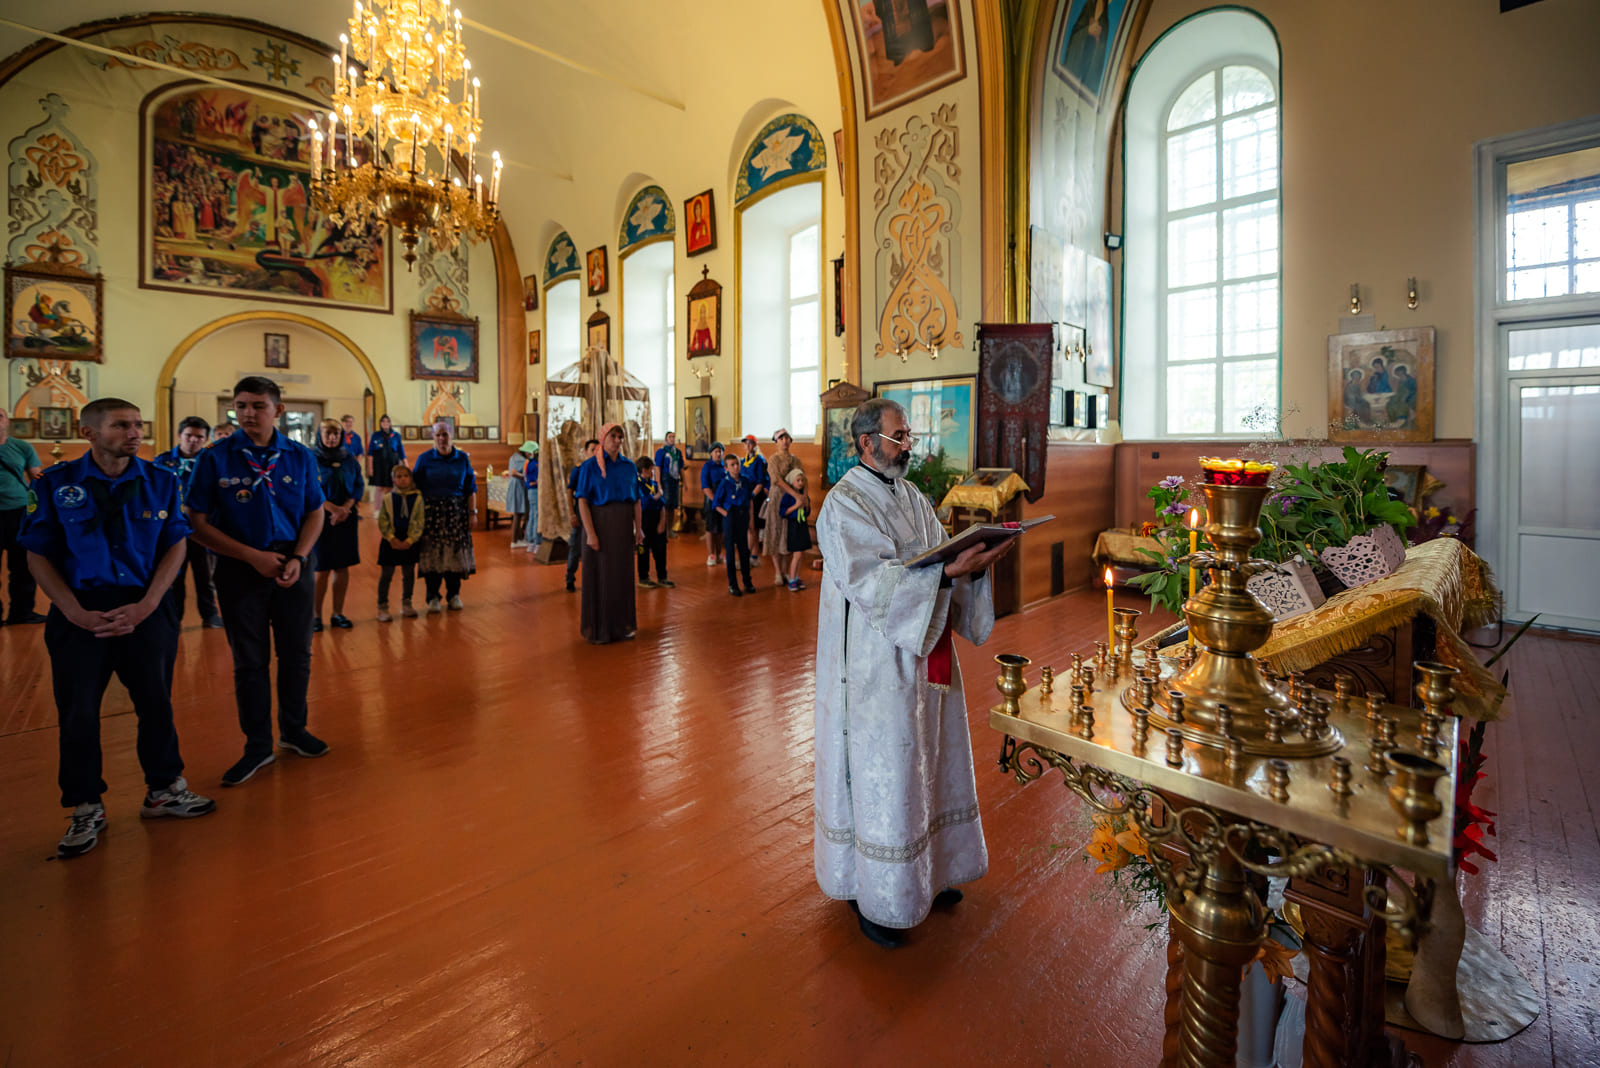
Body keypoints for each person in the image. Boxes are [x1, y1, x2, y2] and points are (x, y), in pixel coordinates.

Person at [812, 398, 1016, 948]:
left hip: (925, 651)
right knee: (891, 767)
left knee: (931, 756)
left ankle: (937, 868)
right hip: (875, 668)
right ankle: (879, 893)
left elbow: (935, 555)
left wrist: (968, 567)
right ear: (866, 443)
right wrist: (949, 571)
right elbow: (868, 581)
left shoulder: (912, 495)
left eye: (909, 434)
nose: (909, 443)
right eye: (899, 435)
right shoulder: (843, 504)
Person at [20, 398, 216, 858]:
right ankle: (86, 804)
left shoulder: (161, 482)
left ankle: (164, 789)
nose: (134, 432)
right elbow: (38, 553)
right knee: (79, 712)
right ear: (88, 433)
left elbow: (175, 548)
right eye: (121, 425)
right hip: (79, 611)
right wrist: (71, 612)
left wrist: (149, 604)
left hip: (145, 608)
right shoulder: (56, 483)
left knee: (156, 703)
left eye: (137, 425)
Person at [187, 376, 328, 787]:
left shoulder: (300, 456)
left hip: (294, 562)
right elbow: (195, 522)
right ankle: (257, 745)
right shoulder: (214, 459)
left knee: (296, 654)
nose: (248, 413)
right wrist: (252, 557)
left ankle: (295, 730)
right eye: (241, 406)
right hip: (239, 565)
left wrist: (299, 557)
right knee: (250, 661)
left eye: (258, 406)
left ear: (278, 411)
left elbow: (315, 512)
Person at [574, 422, 641, 643]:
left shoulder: (629, 466)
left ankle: (622, 626)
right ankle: (600, 629)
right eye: (613, 436)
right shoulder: (589, 467)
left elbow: (636, 501)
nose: (617, 440)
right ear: (603, 438)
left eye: (620, 437)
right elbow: (583, 501)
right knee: (601, 575)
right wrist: (590, 533)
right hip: (599, 524)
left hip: (622, 527)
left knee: (621, 576)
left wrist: (638, 529)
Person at [155, 415, 223, 629]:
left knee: (205, 577)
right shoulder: (162, 462)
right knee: (174, 576)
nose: (193, 440)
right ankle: (174, 617)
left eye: (199, 437)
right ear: (179, 435)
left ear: (205, 439)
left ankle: (209, 615)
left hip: (203, 529)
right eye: (189, 435)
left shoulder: (213, 462)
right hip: (173, 530)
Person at [411, 421, 477, 612]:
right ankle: (433, 597)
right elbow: (415, 487)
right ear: (433, 437)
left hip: (456, 512)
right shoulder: (424, 459)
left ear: (451, 436)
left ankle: (453, 594)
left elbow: (470, 488)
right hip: (431, 513)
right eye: (437, 435)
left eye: (445, 435)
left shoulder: (463, 458)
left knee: (454, 555)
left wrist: (472, 513)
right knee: (432, 554)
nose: (441, 439)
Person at [311, 419, 364, 631]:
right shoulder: (311, 458)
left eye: (336, 434)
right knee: (321, 569)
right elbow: (310, 488)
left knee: (342, 567)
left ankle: (338, 613)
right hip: (320, 518)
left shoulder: (349, 458)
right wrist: (333, 509)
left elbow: (358, 485)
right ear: (320, 435)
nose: (332, 438)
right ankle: (315, 617)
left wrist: (345, 509)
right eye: (328, 433)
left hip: (346, 518)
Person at [0, 405, 46, 625]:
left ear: (7, 421)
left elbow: (37, 477)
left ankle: (22, 613)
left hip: (18, 512)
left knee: (22, 567)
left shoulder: (21, 447)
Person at [375, 462, 424, 622]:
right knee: (387, 574)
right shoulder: (388, 498)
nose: (403, 479)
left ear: (410, 478)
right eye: (399, 477)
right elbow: (383, 520)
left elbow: (419, 520)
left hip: (410, 540)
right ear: (394, 480)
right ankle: (382, 606)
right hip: (391, 541)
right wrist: (391, 538)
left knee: (408, 573)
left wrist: (410, 540)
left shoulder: (417, 497)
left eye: (406, 476)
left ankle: (407, 603)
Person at [760, 429, 804, 586]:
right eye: (781, 438)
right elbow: (777, 479)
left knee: (787, 535)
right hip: (778, 499)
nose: (784, 441)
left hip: (792, 501)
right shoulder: (773, 459)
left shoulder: (795, 460)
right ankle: (778, 571)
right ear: (776, 441)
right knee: (775, 532)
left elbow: (801, 478)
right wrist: (795, 494)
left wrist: (802, 497)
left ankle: (786, 570)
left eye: (787, 438)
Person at [713, 454, 755, 596]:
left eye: (737, 464)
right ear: (726, 468)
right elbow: (716, 504)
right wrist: (727, 514)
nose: (736, 467)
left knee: (744, 551)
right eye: (732, 465)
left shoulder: (745, 481)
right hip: (730, 516)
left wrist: (750, 520)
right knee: (730, 551)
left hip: (743, 516)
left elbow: (749, 500)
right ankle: (733, 584)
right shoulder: (724, 483)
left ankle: (747, 581)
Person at [565, 438, 598, 592]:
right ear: (585, 452)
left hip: (597, 511)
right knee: (576, 547)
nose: (595, 452)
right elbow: (570, 491)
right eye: (592, 450)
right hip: (580, 511)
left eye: (598, 449)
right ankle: (570, 577)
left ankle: (593, 579)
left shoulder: (602, 468)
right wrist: (572, 514)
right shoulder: (579, 469)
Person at [634, 456, 672, 589]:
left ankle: (662, 577)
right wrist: (659, 494)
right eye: (651, 470)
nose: (653, 472)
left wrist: (662, 521)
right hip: (644, 520)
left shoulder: (654, 484)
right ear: (644, 470)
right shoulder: (637, 484)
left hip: (657, 519)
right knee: (643, 550)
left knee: (660, 550)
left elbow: (662, 504)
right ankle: (643, 577)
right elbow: (645, 502)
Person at [779, 468, 812, 592]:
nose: (800, 483)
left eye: (802, 480)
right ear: (792, 482)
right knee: (797, 555)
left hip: (802, 525)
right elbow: (783, 512)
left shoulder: (804, 496)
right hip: (793, 527)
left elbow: (807, 512)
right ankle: (792, 579)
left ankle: (797, 577)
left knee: (801, 554)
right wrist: (796, 506)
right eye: (798, 480)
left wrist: (806, 505)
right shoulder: (787, 496)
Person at [738, 435, 770, 560]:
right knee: (748, 527)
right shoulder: (743, 461)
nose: (748, 445)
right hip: (745, 494)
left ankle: (752, 554)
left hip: (755, 495)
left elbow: (761, 482)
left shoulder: (759, 460)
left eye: (750, 443)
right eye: (746, 443)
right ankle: (752, 554)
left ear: (755, 445)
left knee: (754, 527)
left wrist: (751, 496)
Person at [366, 414, 404, 511]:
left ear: (390, 423)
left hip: (393, 464)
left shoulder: (396, 435)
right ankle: (378, 510)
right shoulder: (376, 435)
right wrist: (370, 468)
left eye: (387, 421)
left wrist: (405, 466)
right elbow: (370, 453)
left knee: (391, 488)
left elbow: (401, 452)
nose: (385, 423)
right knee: (380, 488)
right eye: (383, 421)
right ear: (380, 423)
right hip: (379, 466)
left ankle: (390, 510)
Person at [700, 441, 726, 567]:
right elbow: (705, 486)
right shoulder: (707, 466)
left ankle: (719, 553)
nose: (718, 454)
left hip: (723, 501)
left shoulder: (724, 466)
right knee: (711, 528)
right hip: (711, 501)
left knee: (720, 529)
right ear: (711, 453)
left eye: (720, 451)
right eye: (716, 451)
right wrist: (715, 501)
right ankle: (711, 554)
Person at [653, 431, 684, 536]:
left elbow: (681, 468)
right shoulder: (661, 451)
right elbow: (657, 468)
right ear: (666, 439)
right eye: (670, 437)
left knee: (672, 506)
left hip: (674, 479)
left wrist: (684, 481)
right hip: (665, 479)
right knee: (665, 505)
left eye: (674, 437)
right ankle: (663, 529)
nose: (672, 438)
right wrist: (659, 483)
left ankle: (670, 528)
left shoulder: (678, 452)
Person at [507, 440, 535, 548]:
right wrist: (525, 476)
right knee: (518, 514)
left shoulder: (514, 457)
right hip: (518, 487)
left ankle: (519, 538)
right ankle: (514, 541)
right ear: (527, 452)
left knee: (518, 514)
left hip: (516, 487)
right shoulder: (521, 460)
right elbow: (513, 472)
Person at [521, 440, 542, 553]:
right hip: (535, 490)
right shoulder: (535, 465)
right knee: (536, 516)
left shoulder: (528, 463)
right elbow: (537, 480)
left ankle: (530, 541)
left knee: (532, 515)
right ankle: (536, 542)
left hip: (530, 491)